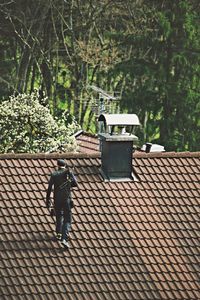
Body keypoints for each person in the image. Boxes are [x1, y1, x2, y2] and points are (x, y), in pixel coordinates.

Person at [46, 159, 77, 248]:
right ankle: (64, 238)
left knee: (59, 215)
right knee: (68, 219)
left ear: (58, 165)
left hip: (57, 200)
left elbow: (49, 188)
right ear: (65, 165)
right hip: (66, 199)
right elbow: (75, 184)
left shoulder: (54, 174)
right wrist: (69, 180)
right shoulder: (68, 173)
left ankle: (58, 233)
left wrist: (47, 200)